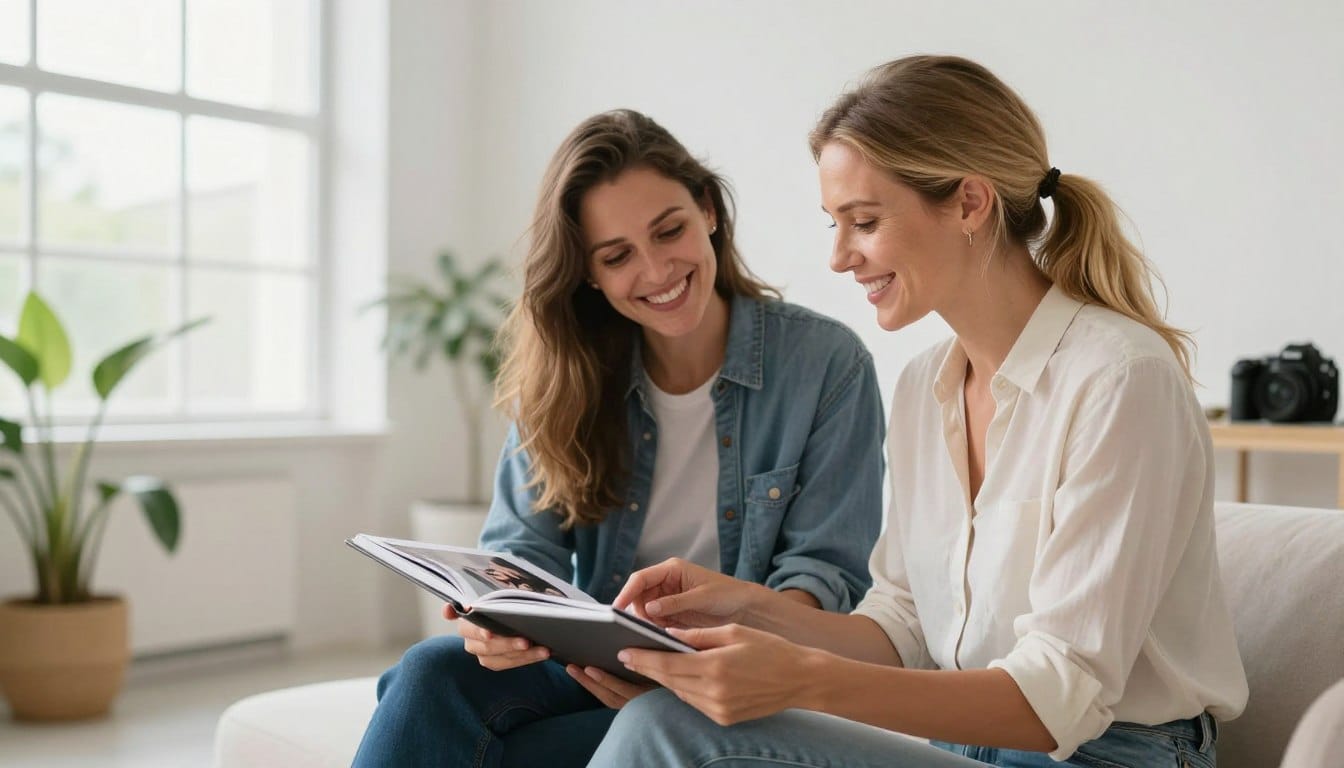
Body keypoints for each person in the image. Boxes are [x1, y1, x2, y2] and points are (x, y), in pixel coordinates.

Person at [589, 55, 1249, 768]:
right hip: (964, 750)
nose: (841, 257)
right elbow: (901, 624)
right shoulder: (923, 385)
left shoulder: (1121, 379)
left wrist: (802, 681)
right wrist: (742, 606)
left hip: (1108, 756)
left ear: (970, 203)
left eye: (864, 222)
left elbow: (1063, 694)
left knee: (669, 732)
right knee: (665, 717)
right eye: (833, 225)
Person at [351, 109, 885, 768]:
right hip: (592, 666)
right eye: (618, 256)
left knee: (495, 749)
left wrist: (688, 667)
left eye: (670, 231)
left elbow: (824, 576)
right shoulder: (564, 374)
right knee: (432, 672)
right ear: (589, 275)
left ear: (709, 211)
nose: (657, 270)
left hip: (731, 679)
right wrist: (499, 623)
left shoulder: (826, 364)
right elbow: (519, 552)